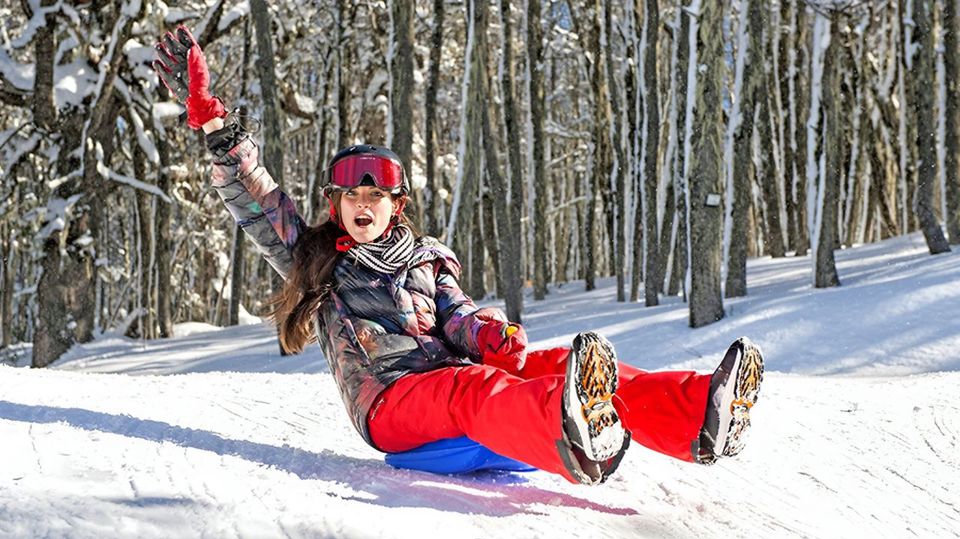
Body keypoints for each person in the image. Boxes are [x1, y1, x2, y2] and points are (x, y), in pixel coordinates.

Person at [153, 26, 765, 485]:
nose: (362, 205)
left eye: (376, 195)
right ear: (332, 204)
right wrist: (215, 123)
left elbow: (458, 316)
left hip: (448, 381)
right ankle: (571, 433)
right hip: (391, 401)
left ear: (398, 205)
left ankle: (696, 416)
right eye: (349, 196)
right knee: (472, 387)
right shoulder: (314, 257)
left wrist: (491, 333)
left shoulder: (426, 257)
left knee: (550, 363)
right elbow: (254, 197)